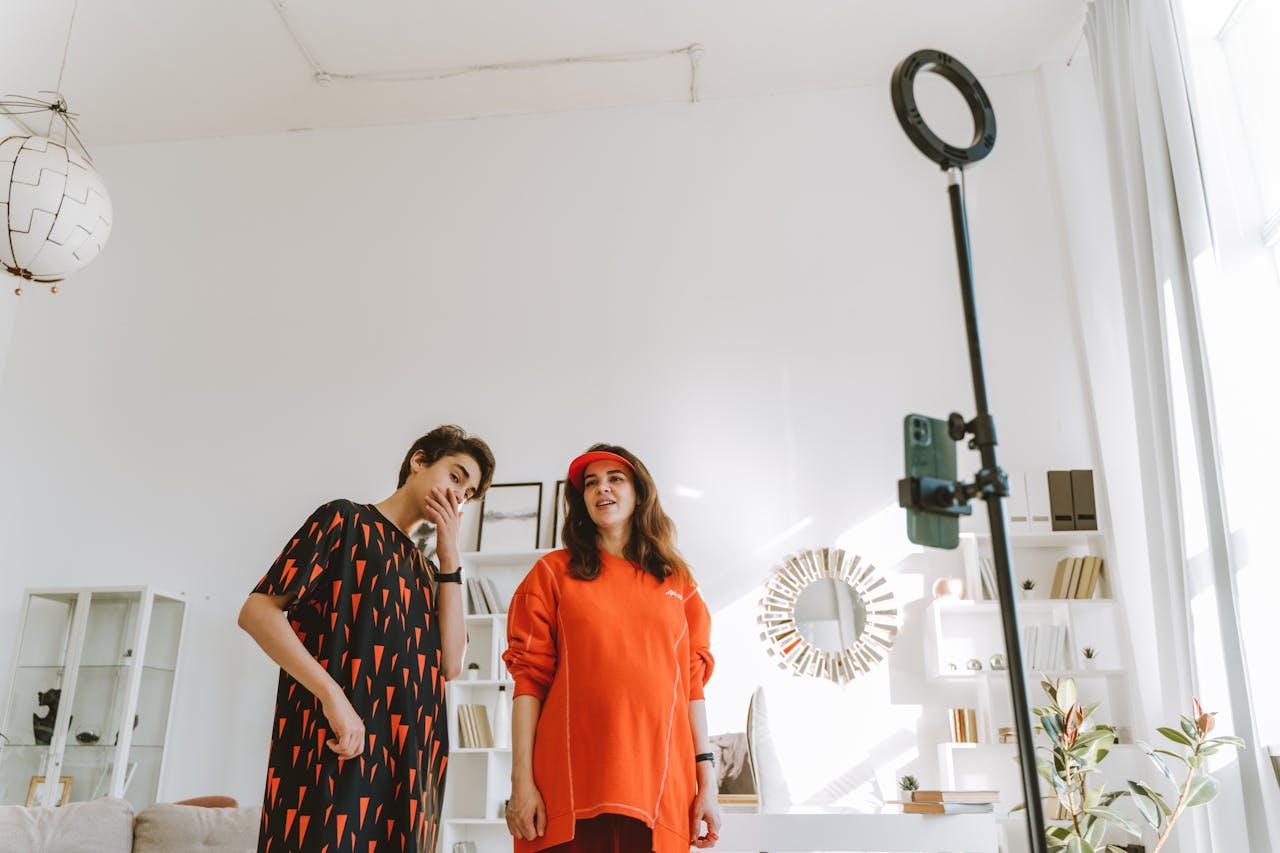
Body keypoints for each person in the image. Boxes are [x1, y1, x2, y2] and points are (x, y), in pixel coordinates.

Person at [238, 425, 495, 853]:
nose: (457, 497)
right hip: (341, 747)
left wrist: (450, 556)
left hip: (410, 764)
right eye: (455, 476)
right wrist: (332, 696)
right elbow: (257, 612)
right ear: (419, 460)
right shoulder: (344, 520)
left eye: (467, 494)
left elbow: (451, 664)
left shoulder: (429, 571)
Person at [502, 444, 720, 853]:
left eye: (615, 478)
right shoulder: (552, 573)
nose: (602, 488)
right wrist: (521, 782)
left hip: (661, 785)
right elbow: (529, 680)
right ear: (581, 500)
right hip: (569, 784)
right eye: (591, 483)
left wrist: (707, 785)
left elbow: (692, 687)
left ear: (639, 493)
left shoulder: (678, 583)